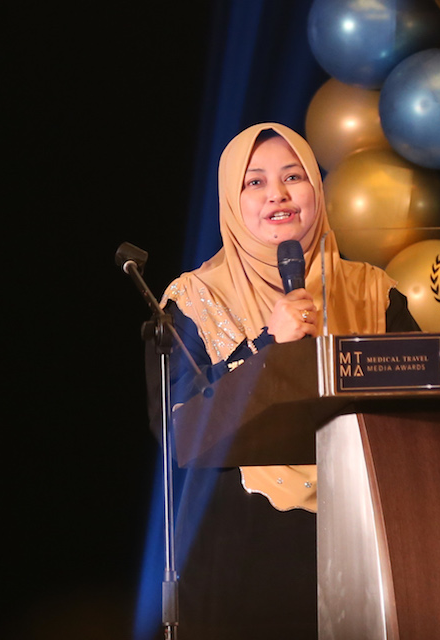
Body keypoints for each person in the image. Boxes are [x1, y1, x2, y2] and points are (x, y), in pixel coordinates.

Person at [146, 122, 416, 639]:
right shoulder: (192, 301)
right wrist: (267, 342)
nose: (279, 194)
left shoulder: (373, 292)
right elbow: (177, 430)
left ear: (316, 188)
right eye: (255, 182)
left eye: (294, 177)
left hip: (369, 533)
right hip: (246, 552)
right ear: (231, 199)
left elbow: (424, 400)